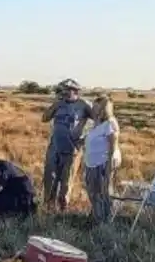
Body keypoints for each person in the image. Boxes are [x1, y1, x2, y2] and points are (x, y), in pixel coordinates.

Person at [42, 78, 94, 211]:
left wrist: (86, 138)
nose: (63, 93)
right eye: (62, 90)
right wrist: (55, 105)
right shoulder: (59, 103)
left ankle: (63, 209)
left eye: (66, 90)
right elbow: (44, 118)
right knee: (50, 177)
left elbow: (100, 120)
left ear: (75, 91)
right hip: (55, 146)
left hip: (72, 149)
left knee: (66, 181)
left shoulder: (84, 105)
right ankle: (48, 206)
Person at [83, 94, 121, 223]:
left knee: (104, 191)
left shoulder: (109, 123)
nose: (93, 109)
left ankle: (106, 220)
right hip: (91, 163)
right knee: (92, 192)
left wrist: (109, 168)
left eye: (97, 107)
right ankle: (97, 216)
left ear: (104, 109)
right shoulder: (96, 124)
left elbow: (113, 147)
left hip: (102, 163)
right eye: (93, 107)